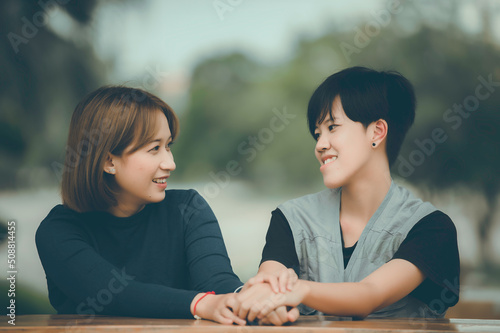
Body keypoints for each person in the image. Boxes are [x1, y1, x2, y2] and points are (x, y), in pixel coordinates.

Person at [35, 86, 297, 325]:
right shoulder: (58, 232)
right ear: (108, 161)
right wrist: (199, 303)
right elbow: (113, 292)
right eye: (154, 149)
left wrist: (253, 301)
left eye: (168, 146)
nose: (169, 163)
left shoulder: (188, 208)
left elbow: (217, 283)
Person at [239, 66, 460, 321]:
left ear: (377, 132)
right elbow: (270, 279)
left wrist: (299, 289)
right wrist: (269, 298)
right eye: (317, 133)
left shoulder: (431, 228)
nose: (320, 145)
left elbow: (368, 295)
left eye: (333, 127)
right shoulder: (290, 218)